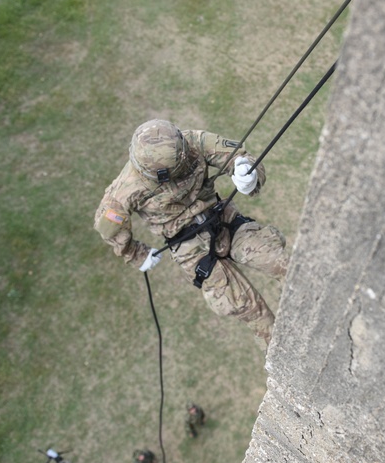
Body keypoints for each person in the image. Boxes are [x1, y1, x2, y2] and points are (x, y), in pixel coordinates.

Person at [94, 119, 289, 348]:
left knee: (281, 262)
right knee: (251, 310)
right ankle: (287, 360)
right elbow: (107, 225)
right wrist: (135, 253)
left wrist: (249, 175)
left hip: (224, 221)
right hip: (190, 248)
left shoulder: (196, 142)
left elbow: (239, 157)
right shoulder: (127, 188)